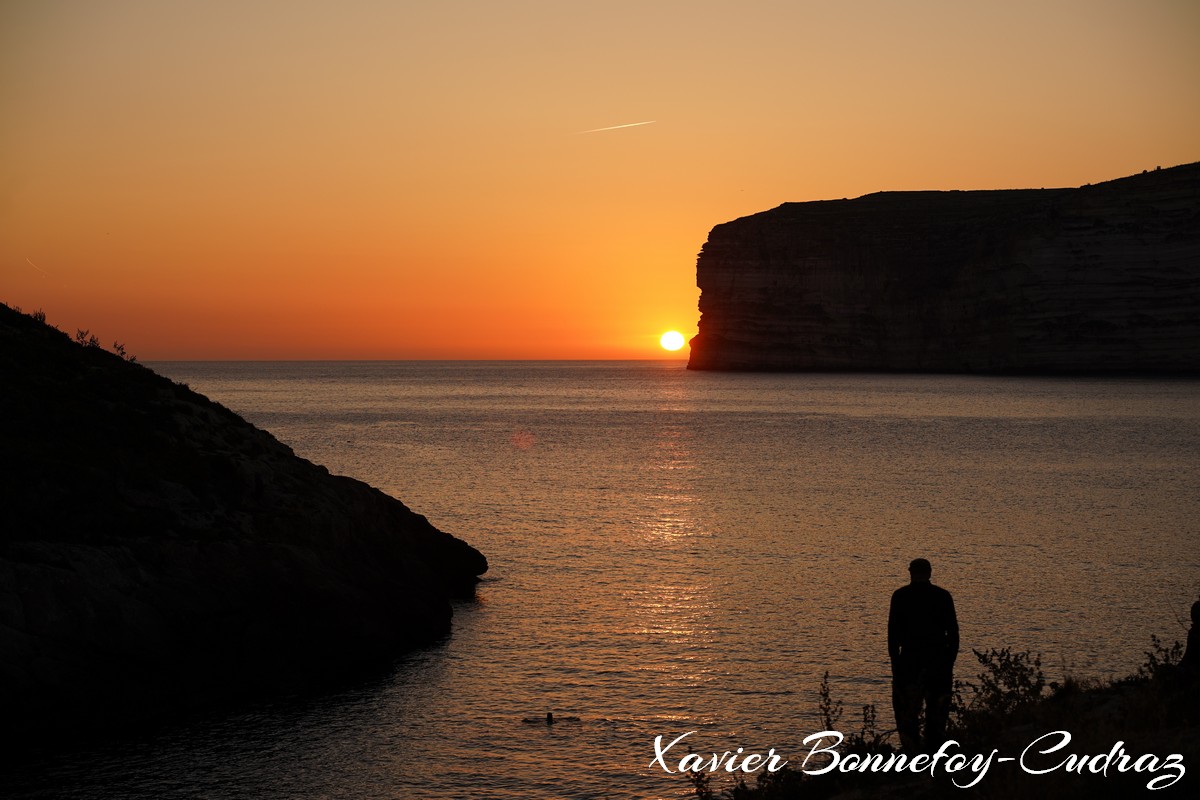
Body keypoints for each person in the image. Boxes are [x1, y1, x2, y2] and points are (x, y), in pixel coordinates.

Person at [888, 558, 959, 753]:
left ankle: (912, 756)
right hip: (938, 663)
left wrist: (896, 666)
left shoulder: (900, 596)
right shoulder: (943, 596)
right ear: (930, 573)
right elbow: (953, 634)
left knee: (907, 715)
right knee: (937, 715)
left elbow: (893, 636)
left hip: (909, 662)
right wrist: (948, 662)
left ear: (910, 572)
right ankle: (934, 755)